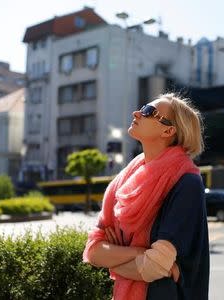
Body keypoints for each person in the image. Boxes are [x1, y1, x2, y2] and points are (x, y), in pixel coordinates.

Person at [83, 93, 209, 300]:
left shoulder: (186, 183)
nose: (137, 113)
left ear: (168, 130)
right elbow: (94, 251)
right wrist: (138, 254)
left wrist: (114, 257)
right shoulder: (125, 181)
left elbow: (154, 266)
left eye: (148, 112)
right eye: (143, 107)